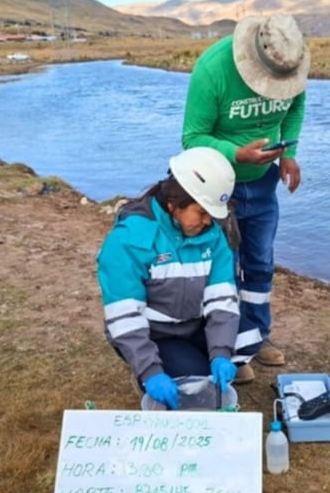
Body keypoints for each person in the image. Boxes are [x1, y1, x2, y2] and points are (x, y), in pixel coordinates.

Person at [181, 14, 310, 383]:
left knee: (260, 264)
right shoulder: (212, 69)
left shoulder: (289, 57)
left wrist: (288, 153)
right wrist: (237, 154)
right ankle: (225, 346)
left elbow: (296, 107)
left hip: (264, 185)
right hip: (218, 189)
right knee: (224, 268)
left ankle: (255, 338)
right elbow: (192, 138)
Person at [97, 148, 239, 410]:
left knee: (224, 359)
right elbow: (124, 317)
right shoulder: (129, 241)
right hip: (156, 333)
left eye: (213, 214)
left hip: (193, 324)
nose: (209, 222)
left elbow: (222, 300)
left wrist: (221, 352)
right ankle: (144, 372)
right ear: (175, 202)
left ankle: (203, 358)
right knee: (194, 386)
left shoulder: (213, 235)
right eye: (202, 212)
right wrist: (150, 371)